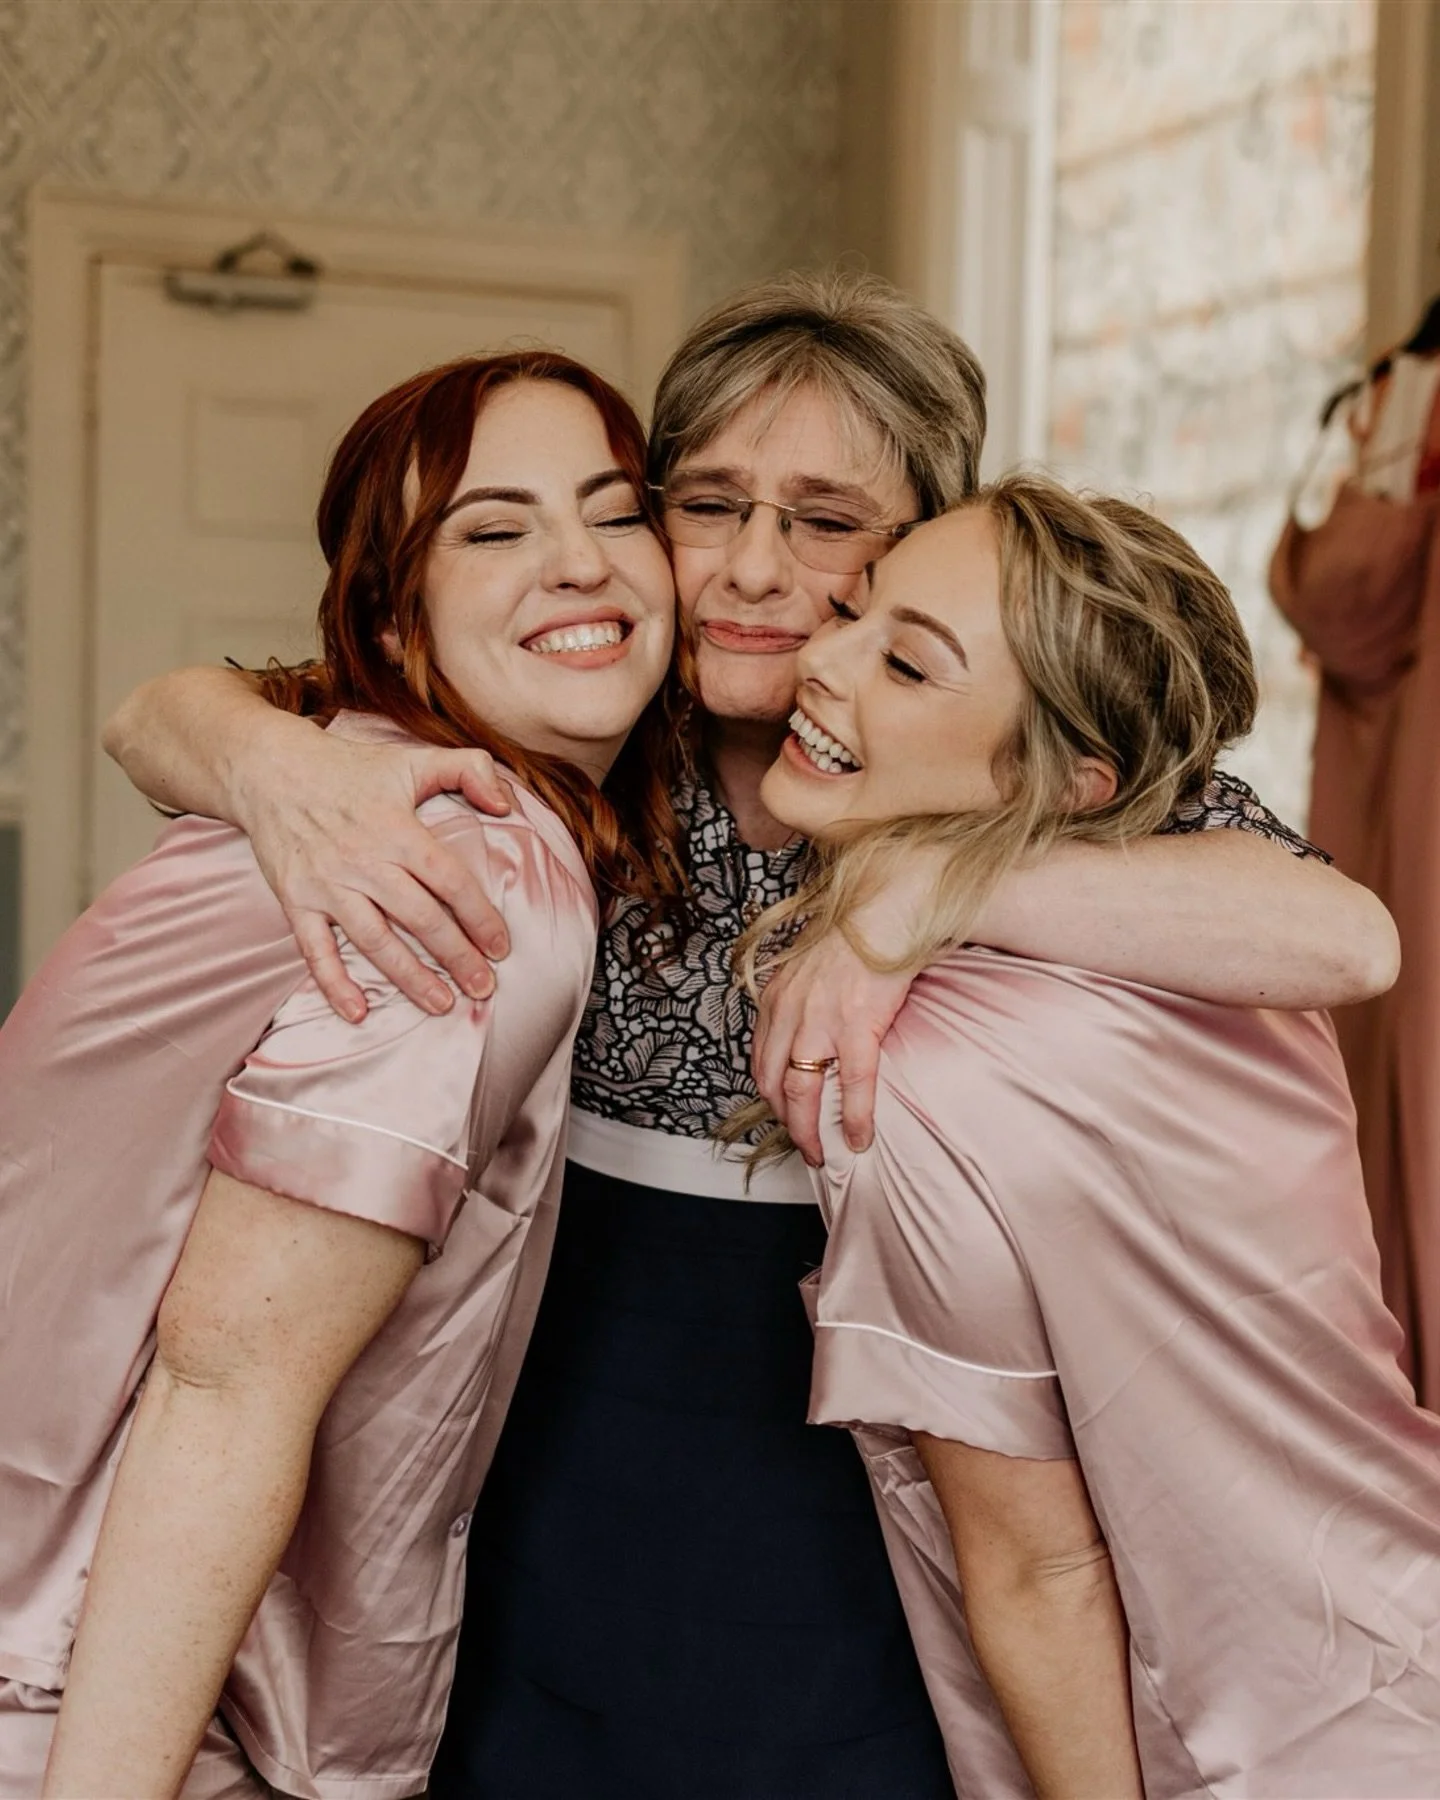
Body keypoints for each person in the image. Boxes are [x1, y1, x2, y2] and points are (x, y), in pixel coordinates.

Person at [105, 272, 1399, 1800]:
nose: (753, 572)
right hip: (555, 1419)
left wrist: (921, 892)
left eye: (829, 521)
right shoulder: (581, 710)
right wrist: (265, 763)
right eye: (708, 503)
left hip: (875, 1462)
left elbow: (1341, 937)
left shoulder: (978, 765)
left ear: (925, 540)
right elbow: (155, 714)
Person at [0, 350, 679, 1799]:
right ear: (393, 610)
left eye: (617, 514)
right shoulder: (468, 867)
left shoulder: (343, 763)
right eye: (494, 530)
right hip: (94, 1711)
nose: (580, 564)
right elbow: (226, 1381)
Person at [745, 476, 1440, 1799]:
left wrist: (910, 895)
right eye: (855, 614)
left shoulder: (915, 1075)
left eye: (901, 660)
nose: (819, 661)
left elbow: (1039, 1568)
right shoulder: (1209, 963)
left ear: (1069, 781)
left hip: (1254, 1751)